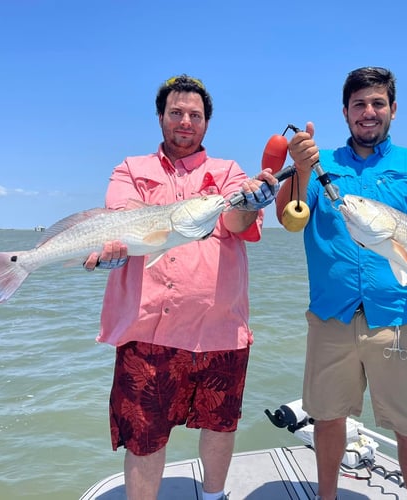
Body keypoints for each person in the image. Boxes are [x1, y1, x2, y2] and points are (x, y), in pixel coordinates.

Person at [84, 74, 279, 500]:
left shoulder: (228, 172)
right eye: (176, 113)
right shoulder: (131, 169)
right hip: (147, 328)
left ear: (207, 122)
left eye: (195, 115)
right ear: (161, 118)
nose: (185, 121)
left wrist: (250, 202)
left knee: (221, 423)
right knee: (144, 436)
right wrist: (112, 246)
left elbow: (236, 223)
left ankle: (214, 496)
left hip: (220, 329)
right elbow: (122, 217)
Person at [275, 66, 407, 500]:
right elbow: (288, 217)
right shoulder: (323, 166)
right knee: (327, 417)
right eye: (359, 104)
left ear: (393, 109)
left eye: (378, 103)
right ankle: (327, 497)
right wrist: (299, 168)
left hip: (398, 317)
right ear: (345, 112)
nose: (368, 112)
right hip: (330, 316)